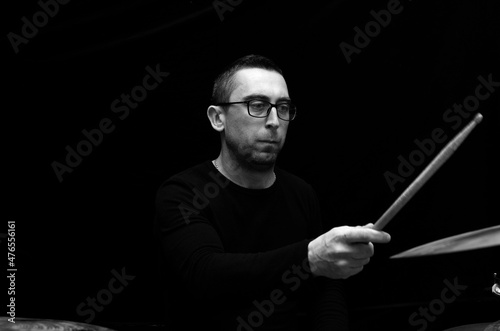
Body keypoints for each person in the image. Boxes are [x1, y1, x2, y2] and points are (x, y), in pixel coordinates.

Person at [154, 54, 391, 330]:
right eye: (257, 105)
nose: (274, 121)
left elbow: (326, 289)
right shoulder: (182, 193)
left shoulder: (301, 193)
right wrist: (310, 257)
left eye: (283, 107)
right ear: (218, 118)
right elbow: (207, 274)